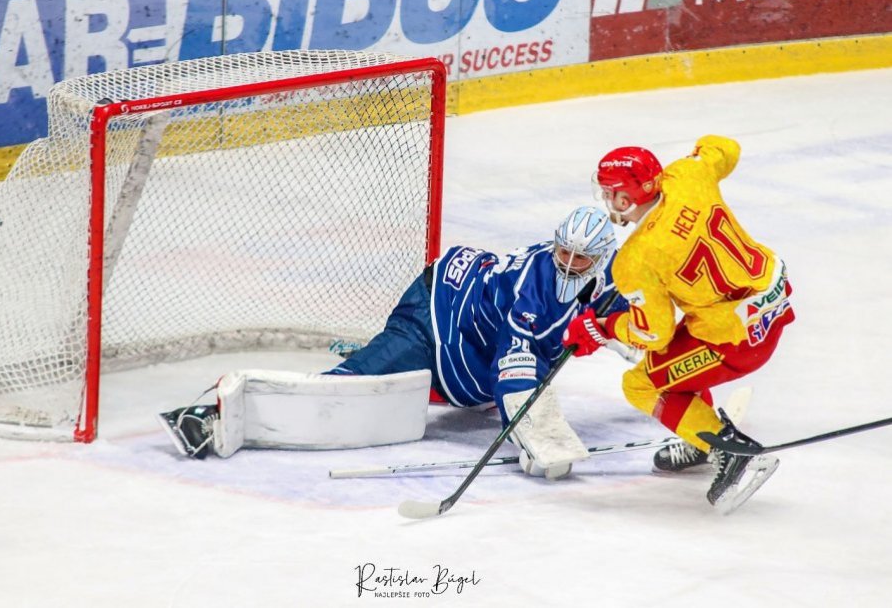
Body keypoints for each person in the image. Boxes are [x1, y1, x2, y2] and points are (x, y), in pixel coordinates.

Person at [162, 206, 629, 479]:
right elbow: (516, 367)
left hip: (472, 345)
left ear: (600, 257)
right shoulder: (531, 285)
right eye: (563, 251)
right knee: (351, 386)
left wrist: (612, 330)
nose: (568, 262)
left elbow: (640, 321)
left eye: (580, 258)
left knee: (462, 390)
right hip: (435, 316)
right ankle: (208, 415)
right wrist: (542, 444)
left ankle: (430, 376)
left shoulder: (611, 275)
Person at [562, 135, 794, 513]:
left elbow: (653, 334)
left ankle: (727, 449)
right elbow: (726, 148)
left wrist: (604, 328)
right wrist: (698, 155)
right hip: (773, 304)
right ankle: (700, 441)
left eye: (610, 193)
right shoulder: (687, 175)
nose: (606, 200)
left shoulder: (635, 260)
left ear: (626, 199)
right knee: (679, 350)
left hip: (736, 340)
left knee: (641, 384)